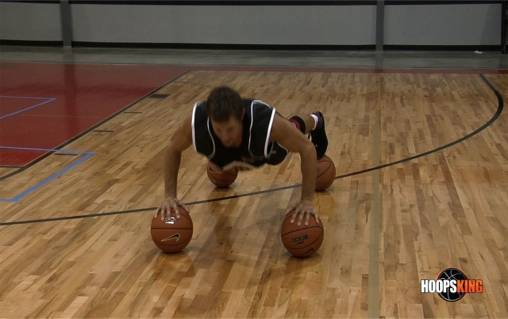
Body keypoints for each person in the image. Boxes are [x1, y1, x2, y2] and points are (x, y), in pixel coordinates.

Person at [157, 86, 328, 226]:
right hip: (231, 154)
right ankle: (226, 163)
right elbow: (172, 149)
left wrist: (307, 200)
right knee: (218, 165)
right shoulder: (197, 122)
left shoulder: (264, 122)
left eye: (230, 129)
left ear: (240, 116)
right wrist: (170, 196)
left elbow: (307, 149)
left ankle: (315, 119)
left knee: (283, 148)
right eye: (218, 130)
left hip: (262, 147)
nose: (224, 137)